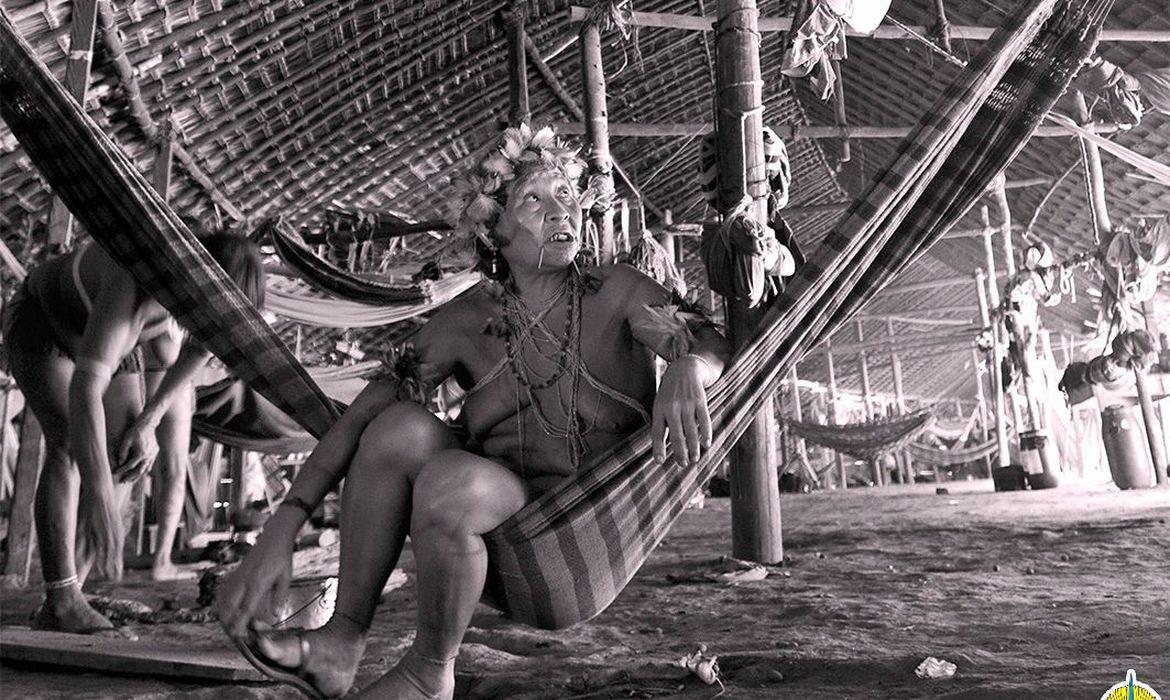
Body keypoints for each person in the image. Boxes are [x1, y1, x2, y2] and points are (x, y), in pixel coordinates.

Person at [216, 124, 731, 700]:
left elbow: (711, 343)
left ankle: (428, 673)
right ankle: (340, 641)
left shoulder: (620, 291)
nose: (559, 210)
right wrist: (282, 528)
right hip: (508, 529)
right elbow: (359, 420)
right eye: (532, 199)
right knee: (396, 428)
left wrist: (691, 366)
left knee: (449, 482)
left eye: (566, 193)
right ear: (493, 230)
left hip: (595, 535)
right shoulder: (465, 322)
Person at [2, 231, 265, 634]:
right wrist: (100, 499)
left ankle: (71, 595)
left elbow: (198, 351)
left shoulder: (203, 305)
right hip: (43, 320)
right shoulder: (133, 282)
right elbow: (86, 388)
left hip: (107, 340)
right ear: (198, 281)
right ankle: (62, 598)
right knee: (69, 447)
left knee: (127, 456)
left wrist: (148, 422)